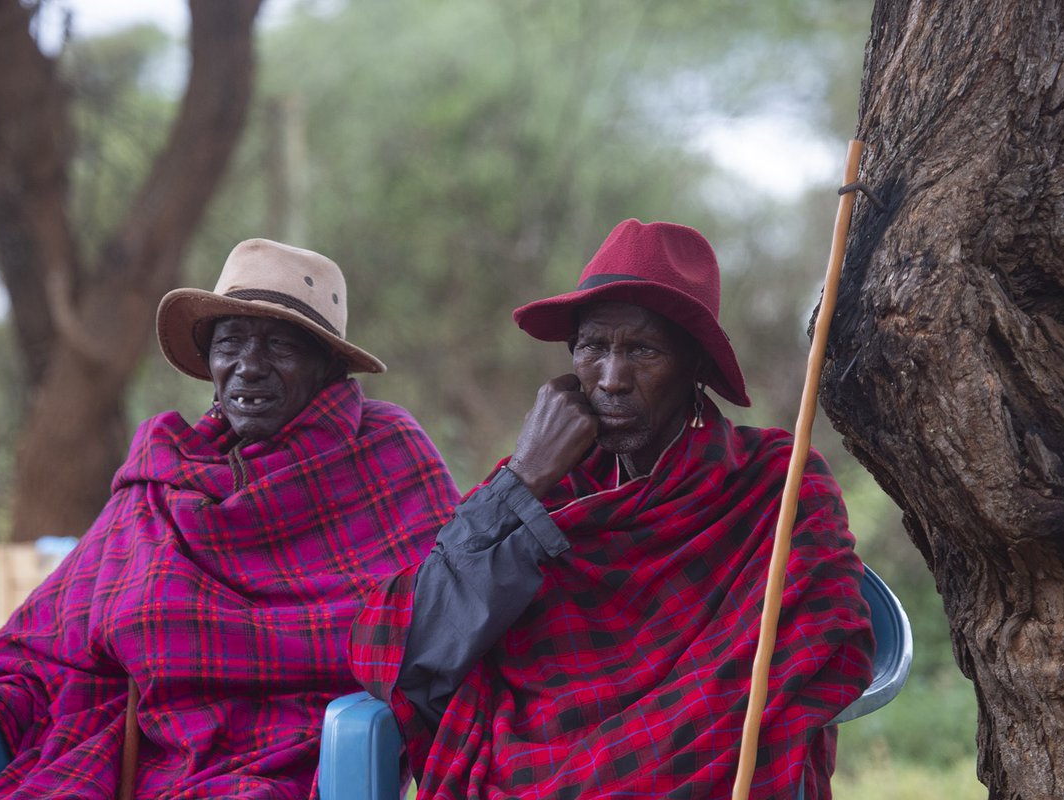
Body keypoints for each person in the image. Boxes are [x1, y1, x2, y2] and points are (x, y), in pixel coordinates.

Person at [350, 219, 875, 799]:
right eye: (593, 347)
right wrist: (522, 478)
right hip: (531, 769)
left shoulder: (773, 479)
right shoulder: (543, 482)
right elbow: (408, 644)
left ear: (694, 367)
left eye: (642, 350)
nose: (612, 379)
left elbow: (826, 635)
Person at [0, 239, 460, 798]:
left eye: (280, 346)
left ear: (329, 364)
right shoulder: (167, 470)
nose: (249, 366)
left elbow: (439, 622)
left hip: (303, 756)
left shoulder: (386, 453)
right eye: (230, 342)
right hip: (143, 755)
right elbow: (48, 635)